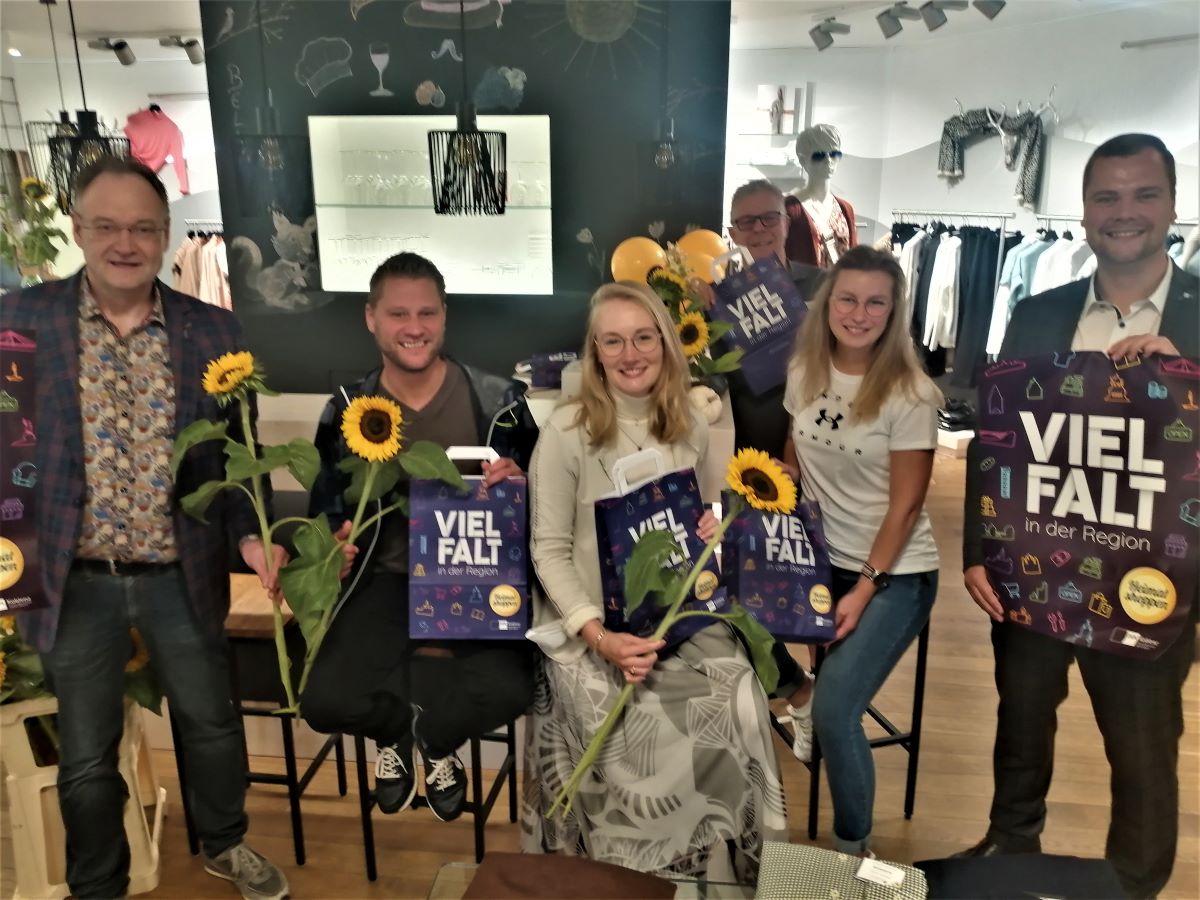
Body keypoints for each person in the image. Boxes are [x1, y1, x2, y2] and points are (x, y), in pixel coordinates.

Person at [0, 157, 288, 900]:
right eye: (107, 226)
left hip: (178, 572)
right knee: (87, 752)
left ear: (165, 237)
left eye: (142, 228)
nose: (124, 242)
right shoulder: (22, 321)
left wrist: (252, 534)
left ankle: (225, 843)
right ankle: (99, 883)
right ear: (78, 229)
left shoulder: (210, 328)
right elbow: (7, 453)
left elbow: (238, 456)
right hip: (75, 580)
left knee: (210, 723)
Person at [958, 133, 1199, 898]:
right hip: (1034, 565)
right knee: (1021, 720)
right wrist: (977, 550)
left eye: (1143, 194)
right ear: (1085, 212)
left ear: (1171, 206)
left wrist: (1188, 386)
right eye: (1106, 197)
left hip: (1151, 584)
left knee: (1142, 743)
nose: (1124, 212)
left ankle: (1135, 881)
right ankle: (1010, 845)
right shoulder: (1037, 312)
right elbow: (996, 437)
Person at [520, 281, 787, 880]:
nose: (629, 353)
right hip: (588, 624)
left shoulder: (689, 422)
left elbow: (709, 516)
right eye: (612, 341)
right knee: (633, 722)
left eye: (644, 337)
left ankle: (716, 871)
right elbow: (549, 550)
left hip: (675, 618)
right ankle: (631, 874)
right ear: (594, 353)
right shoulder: (565, 432)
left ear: (666, 344)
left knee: (741, 696)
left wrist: (710, 528)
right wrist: (599, 636)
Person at [301, 252, 536, 822]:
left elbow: (549, 499)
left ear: (444, 316)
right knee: (325, 702)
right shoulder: (347, 411)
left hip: (476, 584)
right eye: (398, 313)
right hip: (384, 582)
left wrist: (524, 484)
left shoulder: (500, 402)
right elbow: (323, 507)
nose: (414, 327)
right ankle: (394, 733)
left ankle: (434, 737)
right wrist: (337, 539)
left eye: (426, 313)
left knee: (514, 689)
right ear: (371, 318)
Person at [781, 245, 941, 857]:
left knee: (838, 711)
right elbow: (794, 463)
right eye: (847, 298)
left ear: (894, 310)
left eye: (876, 302)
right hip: (823, 558)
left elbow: (905, 508)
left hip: (895, 573)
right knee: (717, 607)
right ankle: (797, 691)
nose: (858, 313)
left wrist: (863, 587)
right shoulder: (804, 373)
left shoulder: (911, 394)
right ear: (827, 304)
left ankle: (854, 855)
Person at [704, 179, 826, 760]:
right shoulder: (712, 296)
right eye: (745, 222)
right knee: (744, 598)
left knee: (819, 592)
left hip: (818, 466)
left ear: (787, 220)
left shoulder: (823, 288)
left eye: (767, 219)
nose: (757, 231)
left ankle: (824, 702)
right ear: (731, 230)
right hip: (744, 468)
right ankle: (797, 694)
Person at [785, 124, 858, 269]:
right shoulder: (788, 209)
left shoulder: (845, 209)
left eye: (834, 154)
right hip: (804, 291)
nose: (828, 160)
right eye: (819, 155)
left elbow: (854, 260)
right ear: (803, 160)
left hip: (840, 290)